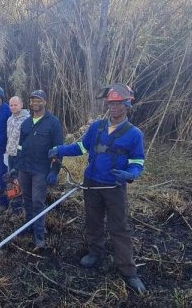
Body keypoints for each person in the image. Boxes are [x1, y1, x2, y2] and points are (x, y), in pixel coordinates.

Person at [48, 83, 147, 294]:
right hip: (91, 182)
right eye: (111, 103)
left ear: (127, 105)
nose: (114, 107)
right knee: (93, 222)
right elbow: (81, 147)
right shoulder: (97, 127)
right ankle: (95, 253)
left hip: (114, 186)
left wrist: (131, 174)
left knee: (119, 228)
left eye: (119, 103)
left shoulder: (134, 133)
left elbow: (138, 160)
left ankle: (128, 271)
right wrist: (60, 149)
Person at [12, 90, 63, 249]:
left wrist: (54, 171)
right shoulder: (26, 123)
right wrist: (16, 166)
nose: (35, 103)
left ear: (45, 102)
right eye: (33, 100)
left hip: (41, 169)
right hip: (25, 168)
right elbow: (20, 146)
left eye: (38, 100)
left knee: (37, 201)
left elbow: (58, 149)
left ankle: (39, 234)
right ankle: (29, 226)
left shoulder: (53, 123)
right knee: (26, 198)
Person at [5, 96, 30, 212]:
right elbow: (9, 138)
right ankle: (13, 204)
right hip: (10, 154)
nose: (13, 107)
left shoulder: (27, 119)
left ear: (21, 105)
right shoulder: (9, 119)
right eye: (11, 105)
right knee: (11, 180)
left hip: (21, 156)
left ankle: (21, 207)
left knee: (20, 181)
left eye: (16, 105)